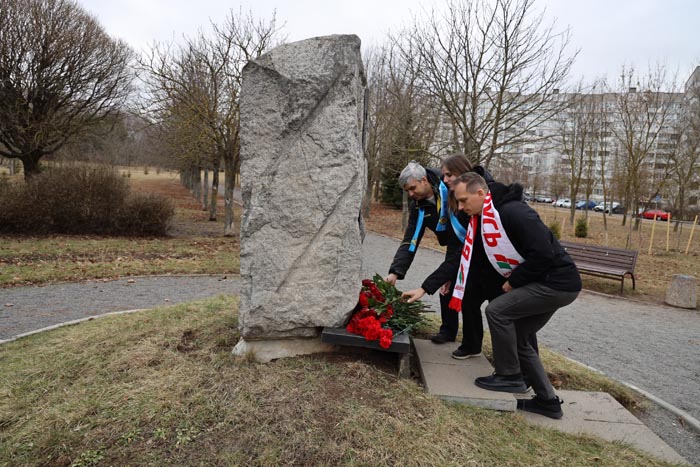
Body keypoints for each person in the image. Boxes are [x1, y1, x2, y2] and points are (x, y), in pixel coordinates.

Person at [450, 172, 581, 419]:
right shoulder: (489, 216)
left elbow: (543, 254)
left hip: (558, 283)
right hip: (551, 283)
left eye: (464, 200)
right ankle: (548, 401)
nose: (460, 207)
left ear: (481, 193)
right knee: (520, 336)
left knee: (497, 310)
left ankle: (509, 375)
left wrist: (514, 281)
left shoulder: (513, 212)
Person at [384, 161, 462, 344]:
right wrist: (395, 272)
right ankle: (448, 331)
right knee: (446, 288)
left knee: (468, 289)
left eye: (413, 188)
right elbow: (410, 240)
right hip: (452, 244)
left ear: (424, 180)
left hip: (467, 238)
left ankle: (472, 343)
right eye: (407, 191)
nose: (411, 194)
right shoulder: (417, 206)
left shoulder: (448, 186)